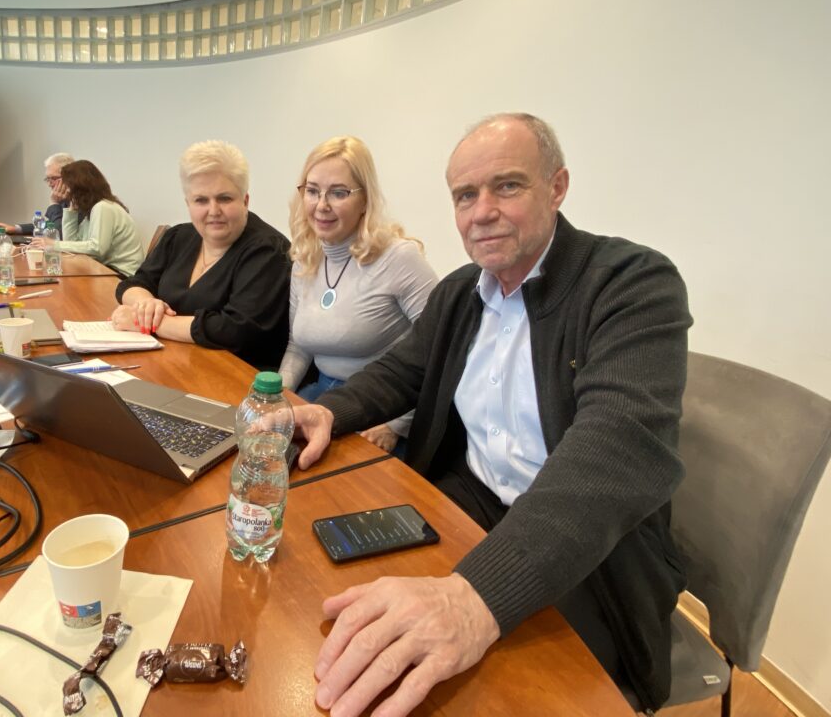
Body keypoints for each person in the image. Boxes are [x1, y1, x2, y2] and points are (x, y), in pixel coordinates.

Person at [293, 113, 692, 716]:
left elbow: (615, 452)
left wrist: (473, 598)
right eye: (464, 195)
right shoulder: (462, 291)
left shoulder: (632, 284)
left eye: (507, 186)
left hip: (592, 555)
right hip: (470, 504)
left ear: (556, 187)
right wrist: (330, 412)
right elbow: (404, 370)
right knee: (335, 597)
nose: (481, 212)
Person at [278, 136, 437, 454]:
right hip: (321, 396)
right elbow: (299, 346)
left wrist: (396, 426)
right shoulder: (305, 257)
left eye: (338, 193)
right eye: (312, 191)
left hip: (383, 410)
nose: (321, 205)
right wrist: (277, 397)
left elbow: (441, 349)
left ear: (365, 200)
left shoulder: (399, 258)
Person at [112, 140, 290, 371]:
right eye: (201, 200)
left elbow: (235, 330)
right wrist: (145, 305)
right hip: (173, 363)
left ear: (245, 201)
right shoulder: (178, 237)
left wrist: (148, 323)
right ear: (188, 203)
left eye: (225, 198)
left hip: (236, 375)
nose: (213, 211)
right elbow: (134, 283)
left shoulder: (269, 250)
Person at [28, 160, 144, 277]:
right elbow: (72, 243)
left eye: (68, 186)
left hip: (122, 274)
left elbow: (97, 249)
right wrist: (71, 211)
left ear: (80, 186)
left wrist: (54, 244)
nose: (67, 191)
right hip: (106, 268)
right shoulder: (93, 209)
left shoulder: (103, 207)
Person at [0, 152, 74, 235]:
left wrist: (54, 203)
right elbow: (51, 224)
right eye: (48, 179)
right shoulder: (64, 198)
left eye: (54, 178)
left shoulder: (78, 200)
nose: (49, 184)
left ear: (69, 177)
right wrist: (16, 229)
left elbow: (58, 233)